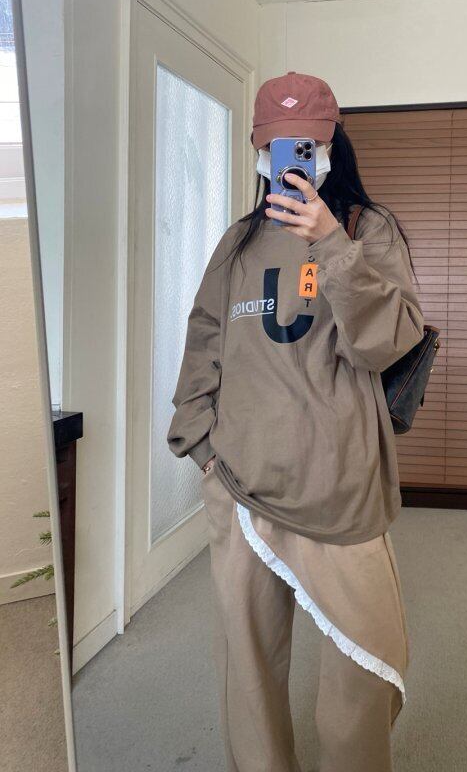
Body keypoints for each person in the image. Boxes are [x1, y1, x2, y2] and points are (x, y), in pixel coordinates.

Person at [167, 71, 425, 772]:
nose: (290, 159)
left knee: (368, 665)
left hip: (341, 487)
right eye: (277, 146)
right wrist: (203, 447)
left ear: (331, 145)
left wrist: (331, 242)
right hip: (240, 482)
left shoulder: (369, 230)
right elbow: (204, 341)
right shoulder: (237, 244)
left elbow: (386, 342)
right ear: (259, 151)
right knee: (247, 668)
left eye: (305, 145)